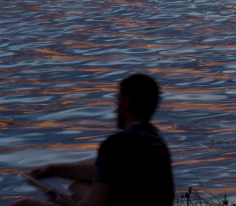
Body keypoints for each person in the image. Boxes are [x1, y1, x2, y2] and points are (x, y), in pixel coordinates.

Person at [17, 74, 174, 206]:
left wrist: (68, 204)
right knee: (77, 186)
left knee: (24, 204)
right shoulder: (157, 142)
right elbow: (100, 170)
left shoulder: (117, 143)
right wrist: (53, 169)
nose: (115, 108)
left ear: (126, 102)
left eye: (117, 101)